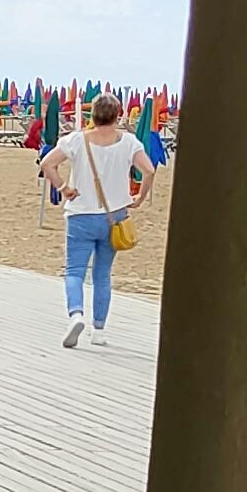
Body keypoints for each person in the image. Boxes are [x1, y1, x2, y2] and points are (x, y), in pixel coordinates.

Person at [44, 87, 151, 350]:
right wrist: (139, 197)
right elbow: (148, 170)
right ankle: (99, 329)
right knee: (102, 274)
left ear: (93, 115)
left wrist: (63, 188)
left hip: (80, 213)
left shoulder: (76, 140)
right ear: (118, 115)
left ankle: (76, 314)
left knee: (74, 271)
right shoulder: (129, 142)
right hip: (114, 216)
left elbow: (47, 164)